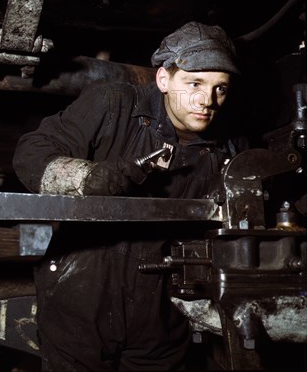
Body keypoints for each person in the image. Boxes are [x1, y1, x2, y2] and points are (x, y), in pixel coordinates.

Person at [12, 21, 245, 370]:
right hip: (80, 298)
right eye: (194, 83)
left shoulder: (228, 149)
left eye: (220, 89)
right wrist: (89, 178)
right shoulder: (114, 105)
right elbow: (30, 152)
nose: (207, 100)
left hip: (163, 319)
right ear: (163, 79)